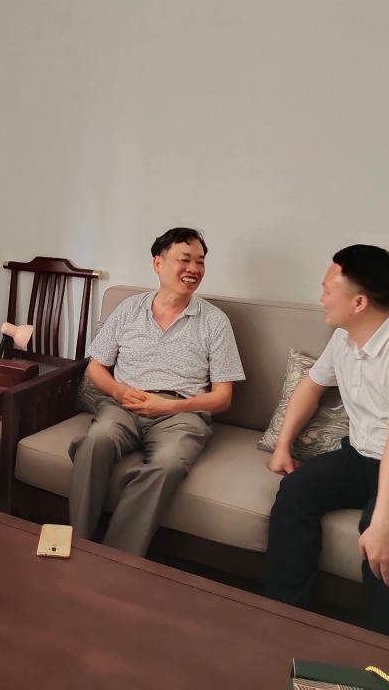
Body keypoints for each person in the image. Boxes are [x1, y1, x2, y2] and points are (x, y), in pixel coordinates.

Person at [263, 244, 389, 637]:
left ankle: (381, 652)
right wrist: (282, 447)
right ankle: (285, 620)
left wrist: (384, 524)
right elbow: (311, 386)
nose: (321, 298)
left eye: (327, 290)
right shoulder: (344, 338)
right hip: (363, 457)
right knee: (296, 491)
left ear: (358, 302)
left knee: (378, 530)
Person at [69, 227, 245, 557]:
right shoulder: (128, 310)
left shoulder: (215, 321)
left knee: (169, 463)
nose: (194, 269)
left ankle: (115, 559)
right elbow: (95, 367)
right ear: (158, 263)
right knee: (95, 441)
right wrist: (119, 392)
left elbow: (223, 397)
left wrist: (168, 407)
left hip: (180, 414)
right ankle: (77, 544)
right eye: (185, 259)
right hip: (124, 406)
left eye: (200, 262)